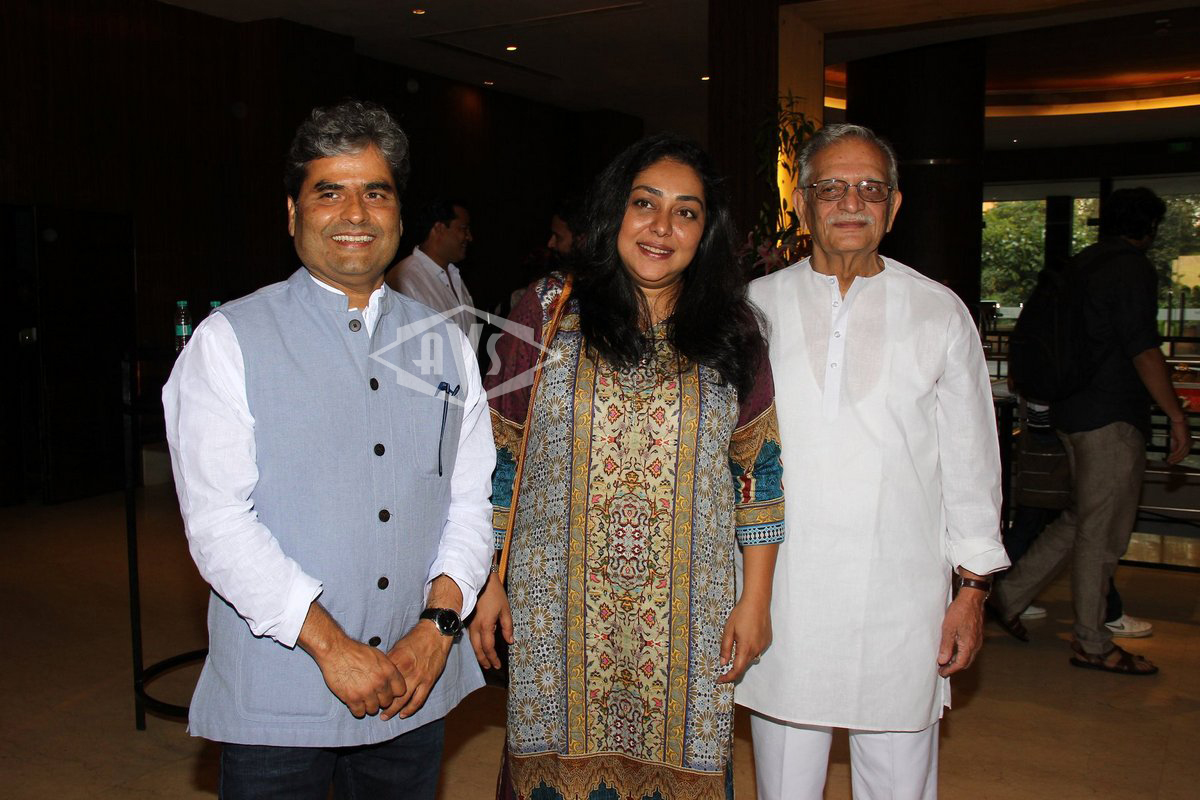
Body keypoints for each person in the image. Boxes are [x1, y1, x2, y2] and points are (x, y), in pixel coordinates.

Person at [162, 100, 495, 799]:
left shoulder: (446, 345)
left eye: (376, 192)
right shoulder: (229, 342)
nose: (355, 213)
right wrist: (332, 647)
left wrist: (438, 627)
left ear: (398, 216)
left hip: (414, 681)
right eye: (329, 192)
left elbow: (468, 503)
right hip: (283, 692)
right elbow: (219, 523)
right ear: (292, 213)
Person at [468, 133, 785, 800]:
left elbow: (759, 469)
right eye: (645, 204)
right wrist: (487, 578)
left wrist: (755, 599)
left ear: (706, 231)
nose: (662, 227)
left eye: (685, 212)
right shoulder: (549, 309)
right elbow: (499, 453)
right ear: (616, 211)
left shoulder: (732, 329)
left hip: (688, 616)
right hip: (555, 609)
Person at [738, 123, 1009, 800]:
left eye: (870, 188)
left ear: (895, 205)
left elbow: (973, 461)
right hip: (783, 592)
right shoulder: (753, 309)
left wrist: (972, 589)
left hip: (902, 598)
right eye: (831, 187)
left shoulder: (938, 312)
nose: (851, 202)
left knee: (897, 783)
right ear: (802, 203)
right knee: (784, 783)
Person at [989, 187, 1189, 674]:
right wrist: (1176, 416)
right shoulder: (1131, 269)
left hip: (1071, 412)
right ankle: (1092, 643)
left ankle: (1008, 596)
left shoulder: (1081, 265)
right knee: (1102, 534)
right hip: (1109, 416)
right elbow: (1143, 348)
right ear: (1149, 228)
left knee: (1080, 520)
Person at [387, 198, 480, 346]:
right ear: (439, 228)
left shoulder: (455, 276)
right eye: (463, 228)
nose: (469, 237)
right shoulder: (404, 279)